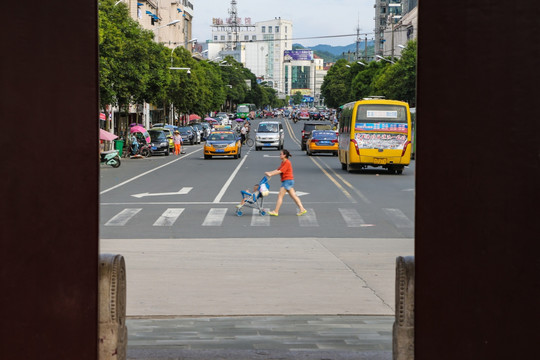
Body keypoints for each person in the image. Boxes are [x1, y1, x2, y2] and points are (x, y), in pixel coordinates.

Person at [264, 149, 307, 217]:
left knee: (280, 196)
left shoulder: (287, 162)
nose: (280, 155)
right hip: (288, 181)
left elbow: (280, 171)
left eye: (281, 154)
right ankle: (302, 209)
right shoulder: (283, 162)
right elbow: (278, 169)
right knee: (294, 196)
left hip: (287, 181)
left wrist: (271, 174)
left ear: (284, 155)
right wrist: (270, 173)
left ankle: (276, 211)